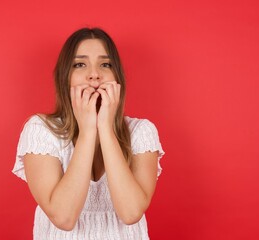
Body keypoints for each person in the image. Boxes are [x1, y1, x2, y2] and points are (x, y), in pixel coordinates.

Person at [12, 27, 165, 240]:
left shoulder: (142, 132)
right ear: (65, 78)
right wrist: (87, 132)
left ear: (117, 77)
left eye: (105, 64)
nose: (94, 74)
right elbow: (64, 217)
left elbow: (131, 213)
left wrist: (105, 128)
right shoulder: (40, 130)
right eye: (80, 64)